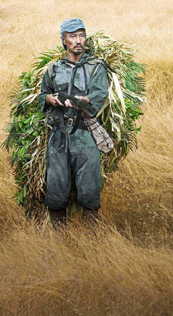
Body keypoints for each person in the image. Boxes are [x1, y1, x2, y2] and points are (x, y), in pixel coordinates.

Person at [37, 18, 109, 229]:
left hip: (85, 135)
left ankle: (91, 241)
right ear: (64, 41)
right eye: (72, 36)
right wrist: (51, 99)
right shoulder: (53, 69)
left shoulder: (96, 68)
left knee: (89, 190)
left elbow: (98, 97)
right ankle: (59, 241)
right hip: (59, 137)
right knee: (57, 190)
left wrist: (82, 102)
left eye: (81, 35)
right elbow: (43, 95)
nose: (78, 41)